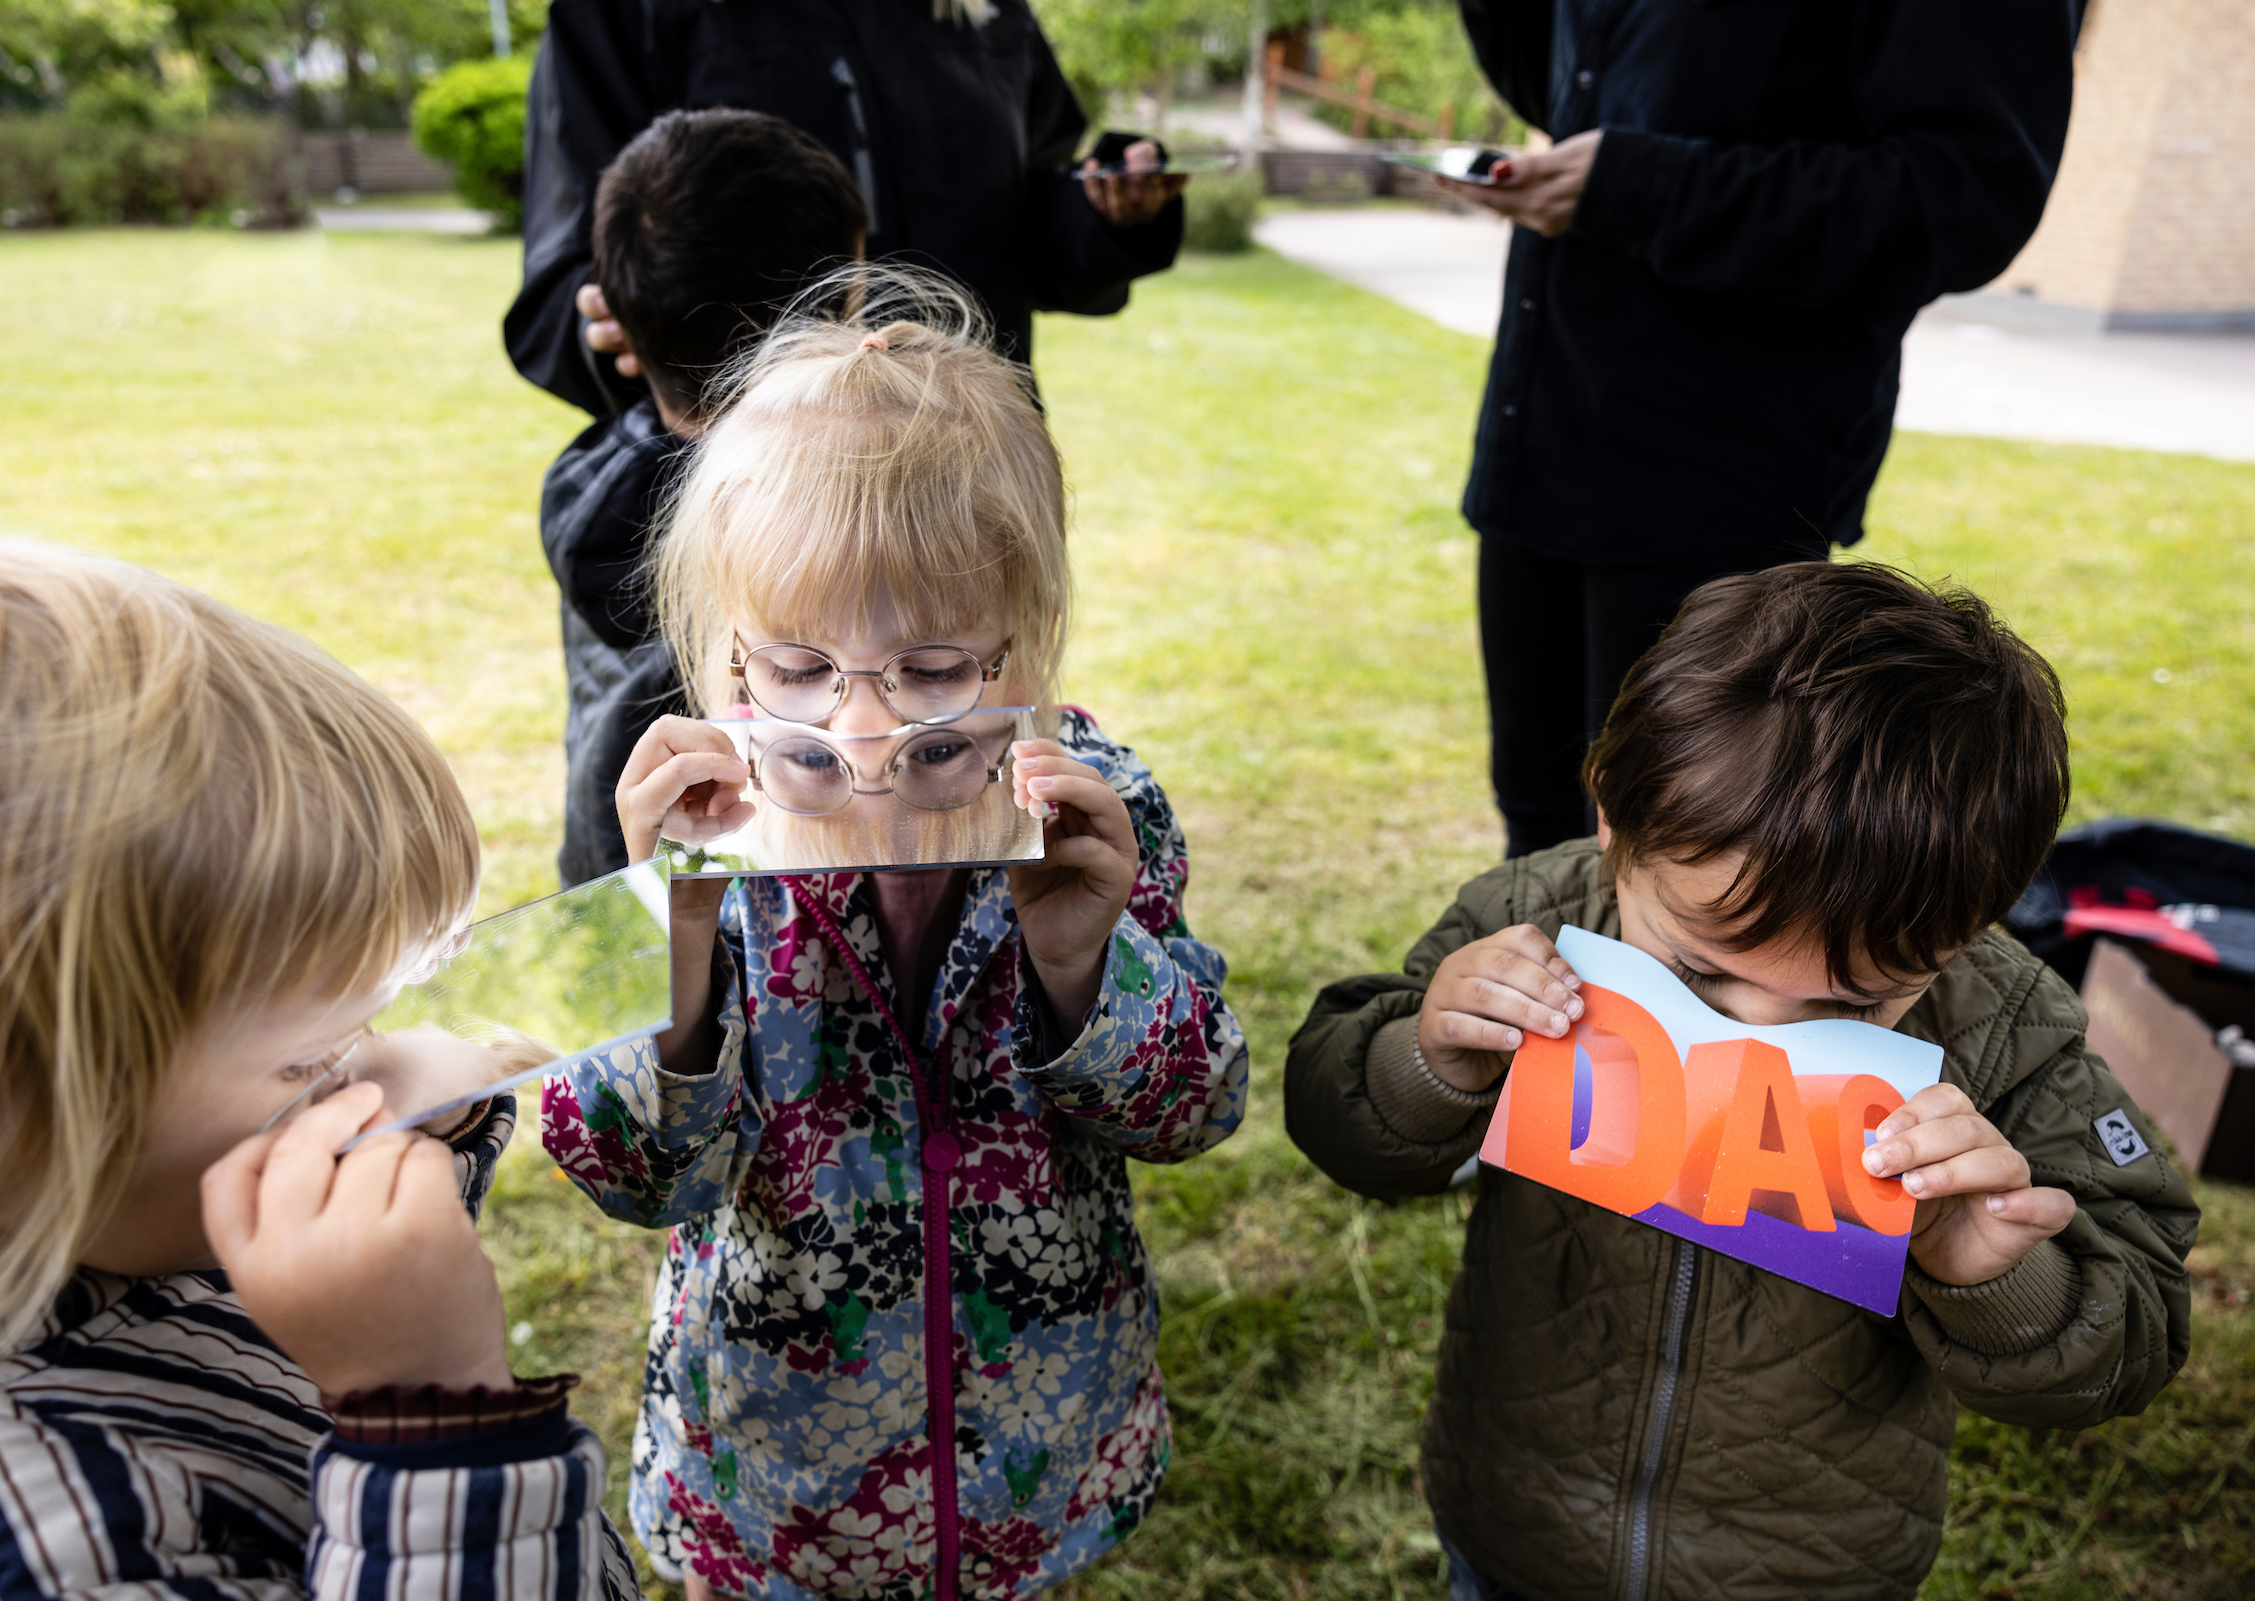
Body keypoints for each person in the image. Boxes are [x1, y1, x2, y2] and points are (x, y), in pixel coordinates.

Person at [1284, 563, 2199, 1601]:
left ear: (1967, 928)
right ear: (1614, 822)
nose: (1755, 1033)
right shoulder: (1533, 920)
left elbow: (2134, 1333)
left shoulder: (2006, 1031)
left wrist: (1984, 1267)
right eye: (1696, 972)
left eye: (1850, 1006)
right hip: (1520, 1517)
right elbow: (1335, 1118)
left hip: (1809, 1567)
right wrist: (1433, 1060)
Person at [537, 274, 1250, 1601]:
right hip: (775, 1468)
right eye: (800, 669)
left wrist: (1085, 963)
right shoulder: (695, 835)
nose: (862, 732)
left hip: (1033, 1449)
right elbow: (629, 1172)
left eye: (930, 671)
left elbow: (1196, 1106)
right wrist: (670, 944)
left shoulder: (1091, 808)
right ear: (728, 657)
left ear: (1023, 642)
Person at [0, 545, 637, 1601]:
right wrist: (433, 1415)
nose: (357, 1072)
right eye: (311, 1061)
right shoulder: (4, 1557)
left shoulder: (97, 1208)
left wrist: (413, 1127)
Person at [1443, 0, 2081, 856]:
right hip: (1544, 427)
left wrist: (1641, 187)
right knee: (1539, 823)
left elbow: (1963, 192)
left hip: (1719, 474)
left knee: (1676, 848)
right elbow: (1578, 86)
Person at [506, 0, 1186, 420]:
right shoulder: (623, 14)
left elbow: (1022, 232)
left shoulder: (984, 12)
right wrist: (617, 330)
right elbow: (564, 297)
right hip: (754, 515)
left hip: (970, 476)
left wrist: (1108, 215)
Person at [546, 107, 868, 885]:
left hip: (617, 866)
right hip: (767, 901)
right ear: (842, 300)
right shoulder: (813, 522)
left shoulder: (591, 481)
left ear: (618, 323)